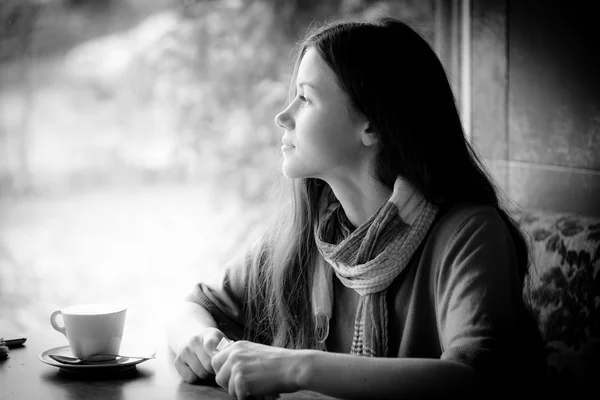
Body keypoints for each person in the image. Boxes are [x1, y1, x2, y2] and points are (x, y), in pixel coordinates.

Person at [167, 17, 547, 400]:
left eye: (306, 97)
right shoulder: (310, 238)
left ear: (371, 126)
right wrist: (199, 340)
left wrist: (298, 366)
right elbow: (197, 307)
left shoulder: (470, 234)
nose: (283, 116)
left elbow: (476, 381)